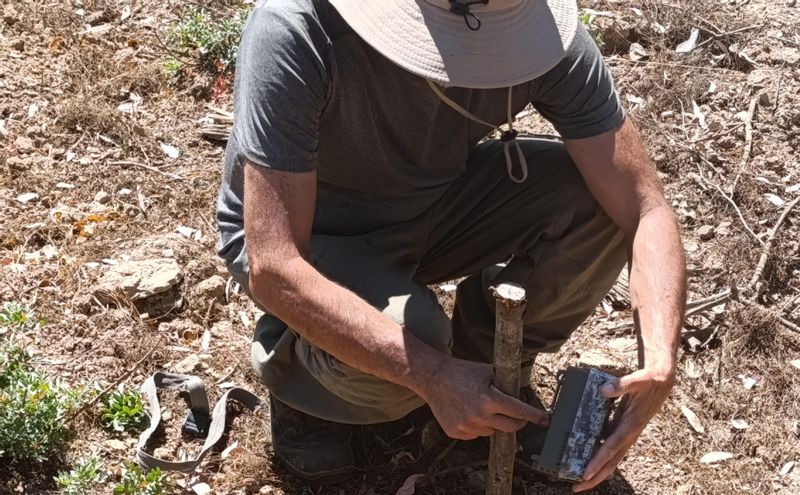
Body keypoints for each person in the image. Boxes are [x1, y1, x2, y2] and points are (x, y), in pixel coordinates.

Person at [215, 0, 686, 491]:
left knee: (594, 204)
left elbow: (643, 208)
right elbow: (275, 264)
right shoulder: (300, 27)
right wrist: (432, 374)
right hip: (314, 232)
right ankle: (303, 384)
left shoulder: (536, 29)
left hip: (430, 203)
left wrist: (660, 359)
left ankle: (492, 372)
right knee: (415, 336)